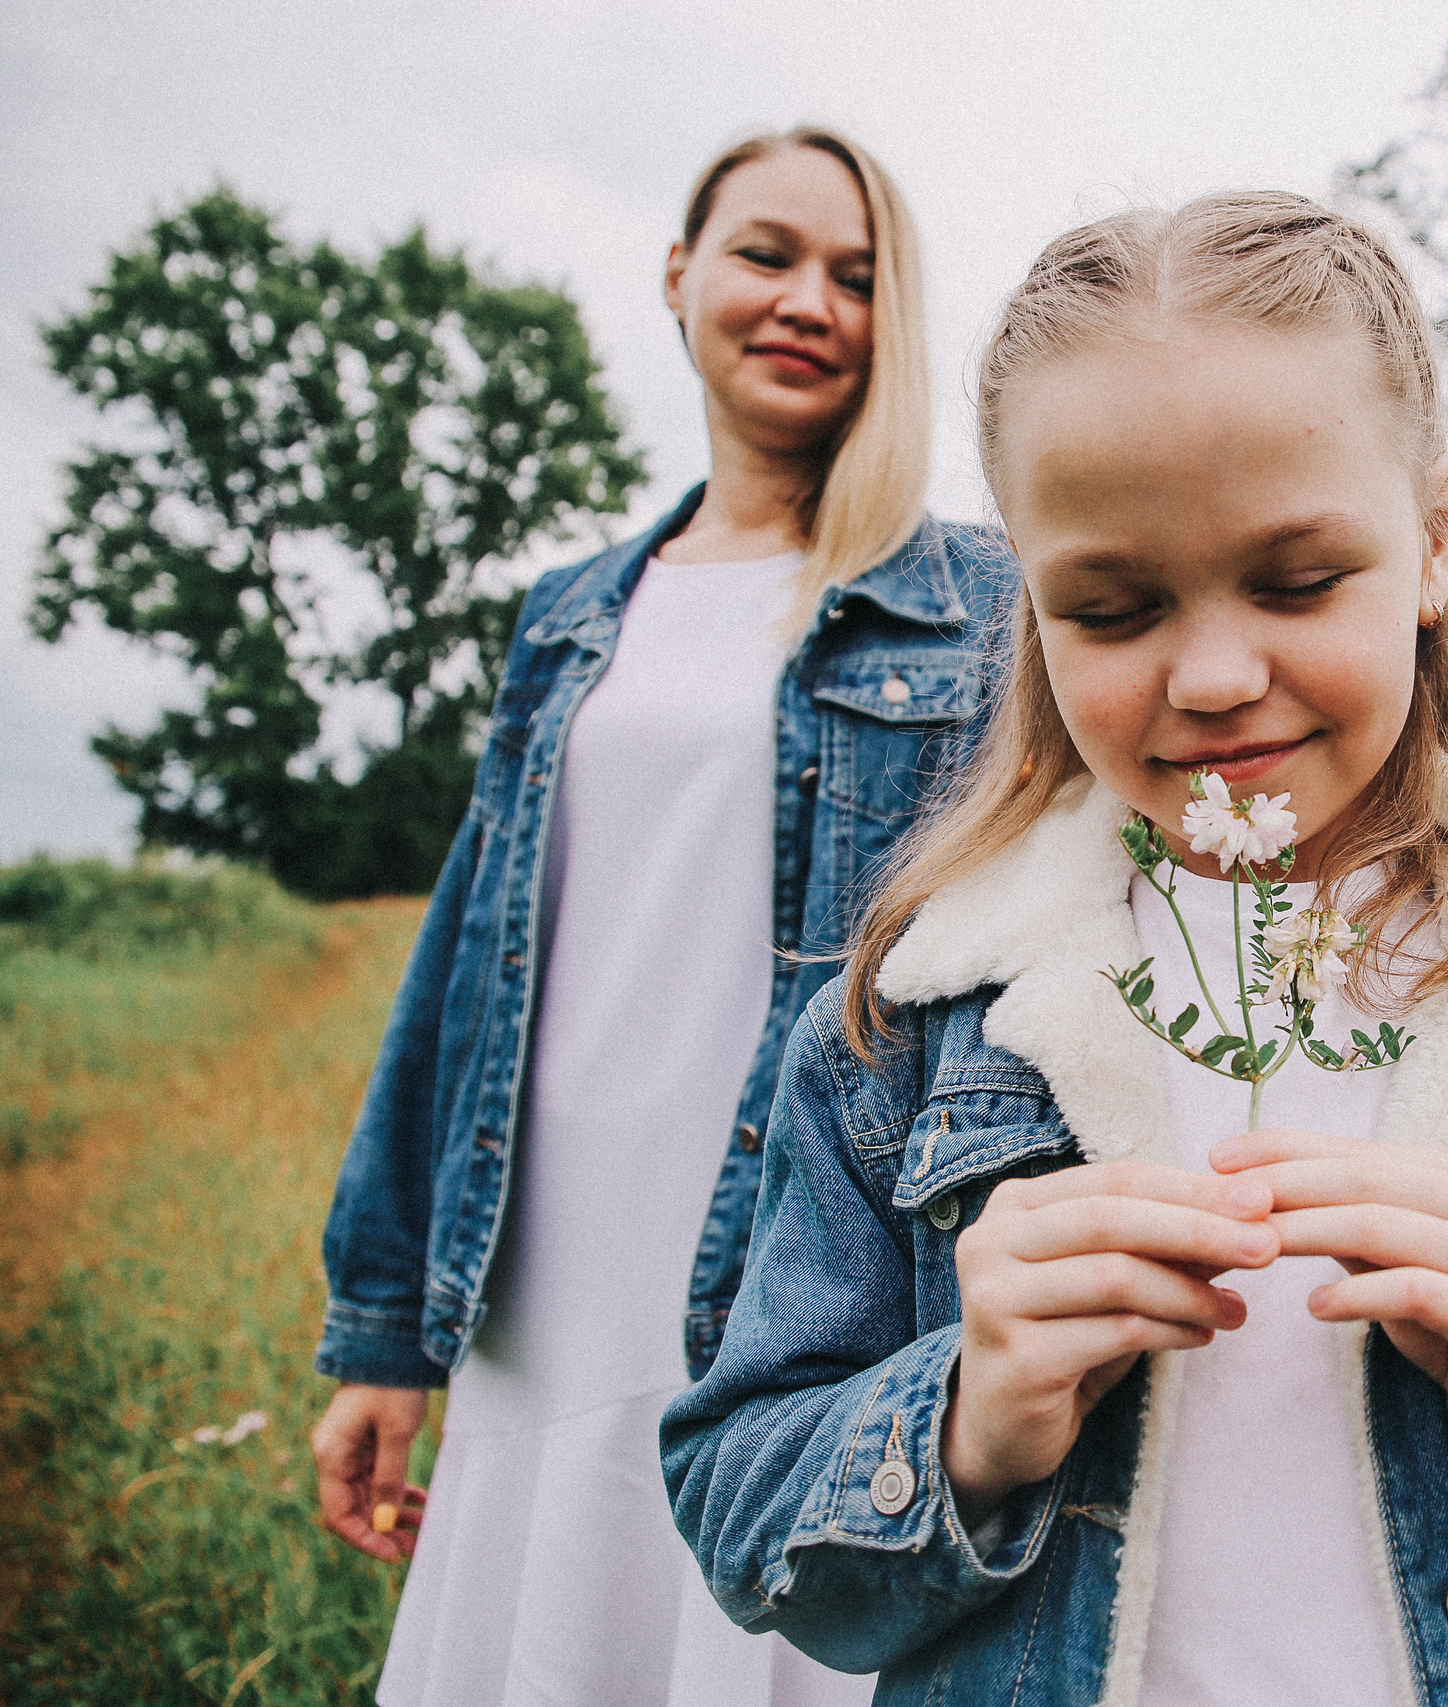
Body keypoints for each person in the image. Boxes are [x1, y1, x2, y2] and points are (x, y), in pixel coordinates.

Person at [660, 192, 1448, 1705]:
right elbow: (740, 1497)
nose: (1214, 675)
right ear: (1031, 605)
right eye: (1113, 607)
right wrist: (964, 1421)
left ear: (1435, 539)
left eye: (1297, 582)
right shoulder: (909, 1029)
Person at [309, 128, 1013, 1706]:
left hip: (806, 1263)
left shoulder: (984, 604)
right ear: (680, 274)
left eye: (857, 276)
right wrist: (382, 1334)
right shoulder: (571, 616)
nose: (809, 302)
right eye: (768, 254)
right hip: (549, 1262)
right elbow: (464, 970)